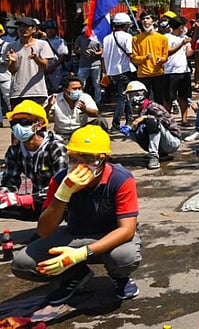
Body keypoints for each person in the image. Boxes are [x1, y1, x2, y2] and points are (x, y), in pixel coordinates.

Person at [11, 126, 141, 304]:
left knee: (124, 257)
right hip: (75, 234)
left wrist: (81, 253)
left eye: (88, 158)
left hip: (110, 235)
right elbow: (43, 230)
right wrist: (62, 194)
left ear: (103, 159)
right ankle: (75, 275)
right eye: (74, 158)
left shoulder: (120, 179)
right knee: (23, 264)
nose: (80, 164)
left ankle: (120, 277)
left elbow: (127, 229)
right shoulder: (60, 180)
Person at [0, 101, 68, 221]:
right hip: (39, 202)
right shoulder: (15, 151)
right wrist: (4, 195)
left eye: (24, 122)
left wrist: (27, 199)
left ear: (39, 124)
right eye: (14, 123)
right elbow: (10, 182)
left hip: (62, 202)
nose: (17, 127)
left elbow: (63, 186)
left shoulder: (55, 148)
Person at [123, 81, 181, 170]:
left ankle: (153, 156)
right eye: (129, 95)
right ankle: (160, 153)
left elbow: (165, 120)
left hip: (172, 141)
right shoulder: (139, 109)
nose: (131, 98)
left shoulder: (152, 106)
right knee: (135, 130)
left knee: (152, 122)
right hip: (164, 142)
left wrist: (145, 117)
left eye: (133, 94)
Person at [8, 17, 56, 107]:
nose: (22, 29)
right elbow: (12, 70)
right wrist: (13, 61)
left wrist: (36, 58)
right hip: (17, 93)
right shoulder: (11, 46)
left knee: (37, 120)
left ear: (33, 29)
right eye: (20, 27)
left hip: (37, 91)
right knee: (18, 120)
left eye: (26, 27)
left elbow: (45, 66)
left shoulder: (42, 44)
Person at [102, 13, 137, 131]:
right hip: (124, 70)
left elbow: (103, 57)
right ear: (125, 25)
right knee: (123, 97)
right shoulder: (127, 37)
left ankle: (129, 119)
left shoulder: (107, 38)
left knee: (125, 95)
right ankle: (116, 123)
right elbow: (130, 54)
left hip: (112, 72)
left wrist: (105, 72)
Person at [45, 76, 102, 140]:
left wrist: (85, 109)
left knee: (100, 121)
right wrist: (49, 105)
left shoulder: (85, 97)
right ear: (65, 90)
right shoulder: (54, 99)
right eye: (74, 89)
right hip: (62, 134)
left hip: (81, 132)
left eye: (79, 88)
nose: (78, 91)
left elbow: (96, 113)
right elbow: (43, 117)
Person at [131, 11, 169, 104]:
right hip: (143, 74)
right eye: (143, 19)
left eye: (147, 18)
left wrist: (161, 60)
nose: (145, 21)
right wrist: (144, 58)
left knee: (159, 99)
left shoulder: (163, 38)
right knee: (143, 100)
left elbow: (165, 57)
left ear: (153, 21)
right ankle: (144, 117)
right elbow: (134, 58)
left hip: (158, 73)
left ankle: (159, 117)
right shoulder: (136, 39)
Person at [163, 17, 194, 126]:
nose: (184, 28)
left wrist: (193, 43)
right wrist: (181, 44)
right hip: (170, 71)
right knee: (169, 98)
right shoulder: (166, 38)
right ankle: (167, 120)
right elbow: (167, 52)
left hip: (184, 70)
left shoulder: (185, 37)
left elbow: (189, 53)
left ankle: (184, 119)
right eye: (182, 26)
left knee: (183, 97)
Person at [74, 31, 103, 104]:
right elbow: (75, 50)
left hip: (95, 65)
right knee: (81, 83)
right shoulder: (80, 38)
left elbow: (101, 51)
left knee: (96, 84)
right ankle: (80, 101)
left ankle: (97, 102)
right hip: (83, 64)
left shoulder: (97, 38)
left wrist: (95, 53)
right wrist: (81, 51)